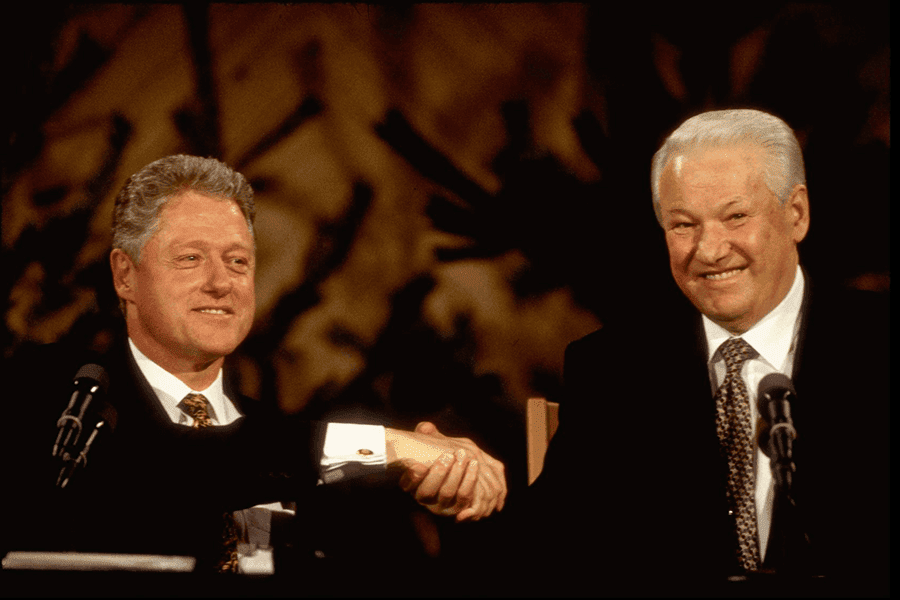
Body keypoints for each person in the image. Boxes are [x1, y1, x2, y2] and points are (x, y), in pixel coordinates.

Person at [0, 155, 506, 578]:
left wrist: (454, 488)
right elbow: (190, 465)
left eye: (238, 261)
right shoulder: (57, 397)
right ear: (125, 275)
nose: (222, 283)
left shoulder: (282, 446)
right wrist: (401, 446)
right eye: (191, 258)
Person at [519, 109, 888, 595]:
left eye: (736, 216)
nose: (709, 250)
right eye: (683, 225)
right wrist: (469, 493)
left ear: (795, 213)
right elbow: (550, 547)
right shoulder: (612, 368)